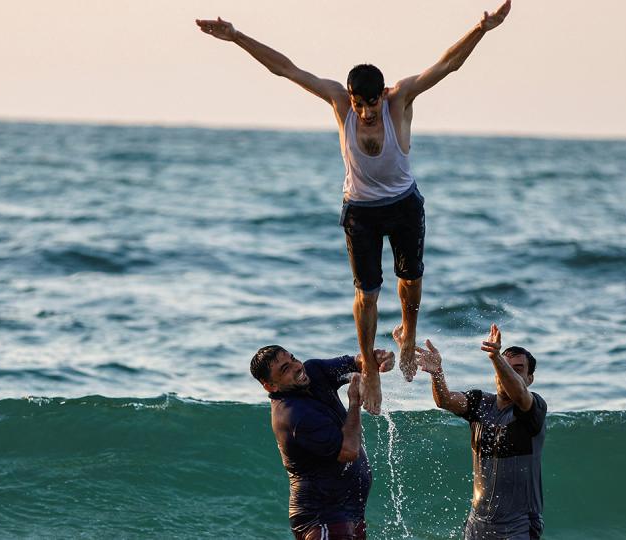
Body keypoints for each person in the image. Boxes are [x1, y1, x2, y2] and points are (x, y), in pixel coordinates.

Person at [199, 1, 513, 415]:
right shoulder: (339, 103)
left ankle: (408, 336)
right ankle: (368, 371)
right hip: (361, 212)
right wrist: (237, 36)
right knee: (367, 294)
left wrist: (481, 28)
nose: (365, 112)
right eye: (358, 103)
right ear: (350, 97)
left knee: (411, 282)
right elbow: (287, 69)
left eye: (370, 103)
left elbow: (446, 66)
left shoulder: (398, 99)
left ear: (381, 95)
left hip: (403, 205)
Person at [415, 324, 547, 539]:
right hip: (477, 524)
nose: (509, 373)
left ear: (530, 379)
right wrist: (437, 373)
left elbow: (520, 392)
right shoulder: (480, 403)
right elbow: (445, 400)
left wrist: (496, 357)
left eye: (518, 369)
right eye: (506, 367)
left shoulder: (533, 409)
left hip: (518, 525)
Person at [250, 344, 395, 539]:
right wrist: (354, 403)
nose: (297, 366)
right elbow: (349, 452)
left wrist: (377, 359)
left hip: (347, 512)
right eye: (285, 369)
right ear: (270, 385)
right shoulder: (293, 415)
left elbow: (354, 363)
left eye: (293, 358)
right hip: (322, 516)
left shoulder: (313, 370)